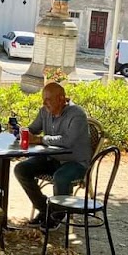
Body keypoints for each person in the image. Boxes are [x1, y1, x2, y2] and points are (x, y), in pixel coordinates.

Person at [13, 82, 92, 231]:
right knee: (21, 169)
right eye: (43, 99)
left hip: (75, 162)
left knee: (61, 177)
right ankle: (45, 209)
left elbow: (68, 141)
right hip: (52, 158)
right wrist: (20, 130)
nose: (44, 103)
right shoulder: (44, 111)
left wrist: (41, 139)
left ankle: (57, 215)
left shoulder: (77, 114)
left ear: (61, 99)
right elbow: (33, 129)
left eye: (48, 99)